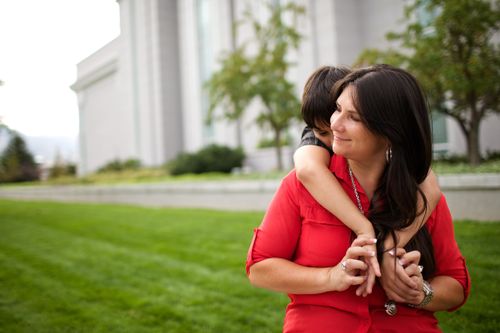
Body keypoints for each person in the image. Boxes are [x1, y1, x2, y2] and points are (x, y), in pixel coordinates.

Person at [246, 64, 470, 332]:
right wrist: (332, 276)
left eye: (354, 117)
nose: (334, 123)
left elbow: (456, 286)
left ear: (390, 133)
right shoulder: (302, 183)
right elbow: (259, 269)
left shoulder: (423, 194)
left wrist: (420, 292)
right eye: (337, 109)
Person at [293, 66, 441, 297]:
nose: (334, 136)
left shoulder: (402, 173)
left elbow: (430, 187)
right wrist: (364, 229)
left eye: (353, 116)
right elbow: (307, 169)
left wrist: (391, 244)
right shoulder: (318, 137)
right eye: (323, 133)